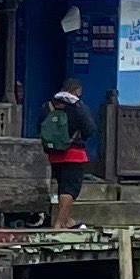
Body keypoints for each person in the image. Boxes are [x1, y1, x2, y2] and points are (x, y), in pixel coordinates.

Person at [38, 78, 96, 216]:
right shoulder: (78, 106)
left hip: (54, 155)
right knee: (70, 189)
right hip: (74, 154)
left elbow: (40, 126)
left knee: (61, 187)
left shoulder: (48, 106)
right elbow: (89, 128)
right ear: (77, 91)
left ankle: (67, 221)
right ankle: (59, 223)